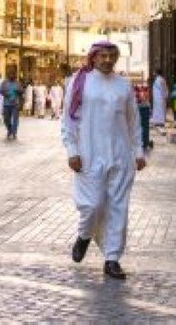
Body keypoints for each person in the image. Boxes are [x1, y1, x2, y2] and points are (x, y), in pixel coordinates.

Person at [62, 42, 147, 280]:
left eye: (111, 56)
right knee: (93, 205)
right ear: (94, 57)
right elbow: (68, 120)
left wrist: (138, 151)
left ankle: (112, 259)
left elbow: (133, 121)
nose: (107, 60)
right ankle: (84, 235)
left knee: (118, 207)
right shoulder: (80, 82)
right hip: (88, 154)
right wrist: (72, 150)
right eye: (103, 56)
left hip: (120, 155)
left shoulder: (123, 85)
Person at [0, 66, 24, 140]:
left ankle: (14, 132)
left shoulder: (18, 83)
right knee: (6, 119)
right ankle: (9, 130)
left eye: (13, 74)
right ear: (8, 75)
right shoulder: (4, 83)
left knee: (15, 119)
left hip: (15, 104)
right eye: (10, 74)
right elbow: (1, 91)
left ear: (14, 75)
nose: (11, 75)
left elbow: (21, 92)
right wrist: (5, 93)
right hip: (6, 104)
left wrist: (19, 91)